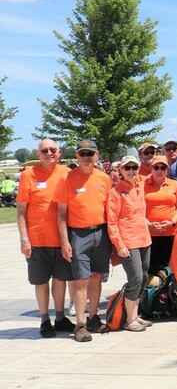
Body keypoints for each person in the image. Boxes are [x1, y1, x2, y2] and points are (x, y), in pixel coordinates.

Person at [17, 139, 74, 338]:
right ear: (38, 154)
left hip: (62, 239)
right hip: (37, 240)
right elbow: (21, 212)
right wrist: (24, 239)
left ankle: (59, 317)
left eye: (52, 150)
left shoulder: (66, 173)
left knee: (61, 280)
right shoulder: (28, 176)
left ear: (59, 152)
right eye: (44, 150)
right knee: (41, 281)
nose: (48, 153)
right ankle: (44, 319)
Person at [57, 140, 113, 342]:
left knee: (97, 276)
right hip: (78, 234)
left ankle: (93, 318)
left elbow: (110, 209)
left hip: (101, 232)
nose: (87, 157)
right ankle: (79, 324)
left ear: (97, 155)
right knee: (81, 279)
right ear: (77, 156)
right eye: (83, 154)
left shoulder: (104, 178)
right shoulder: (67, 179)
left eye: (90, 153)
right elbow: (61, 214)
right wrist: (65, 241)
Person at [106, 156, 153, 332]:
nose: (132, 171)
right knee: (135, 279)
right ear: (121, 171)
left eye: (134, 167)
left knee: (144, 277)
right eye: (128, 168)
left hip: (144, 239)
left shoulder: (139, 187)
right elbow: (112, 222)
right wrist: (119, 245)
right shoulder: (115, 192)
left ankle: (135, 315)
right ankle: (128, 319)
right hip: (128, 241)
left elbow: (138, 214)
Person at [143, 155, 177, 276]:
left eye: (163, 167)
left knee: (171, 268)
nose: (159, 170)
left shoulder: (174, 185)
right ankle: (152, 294)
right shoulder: (142, 185)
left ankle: (169, 293)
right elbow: (137, 209)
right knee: (151, 269)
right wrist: (149, 224)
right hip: (149, 233)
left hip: (172, 233)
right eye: (156, 167)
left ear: (167, 170)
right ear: (151, 168)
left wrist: (172, 222)